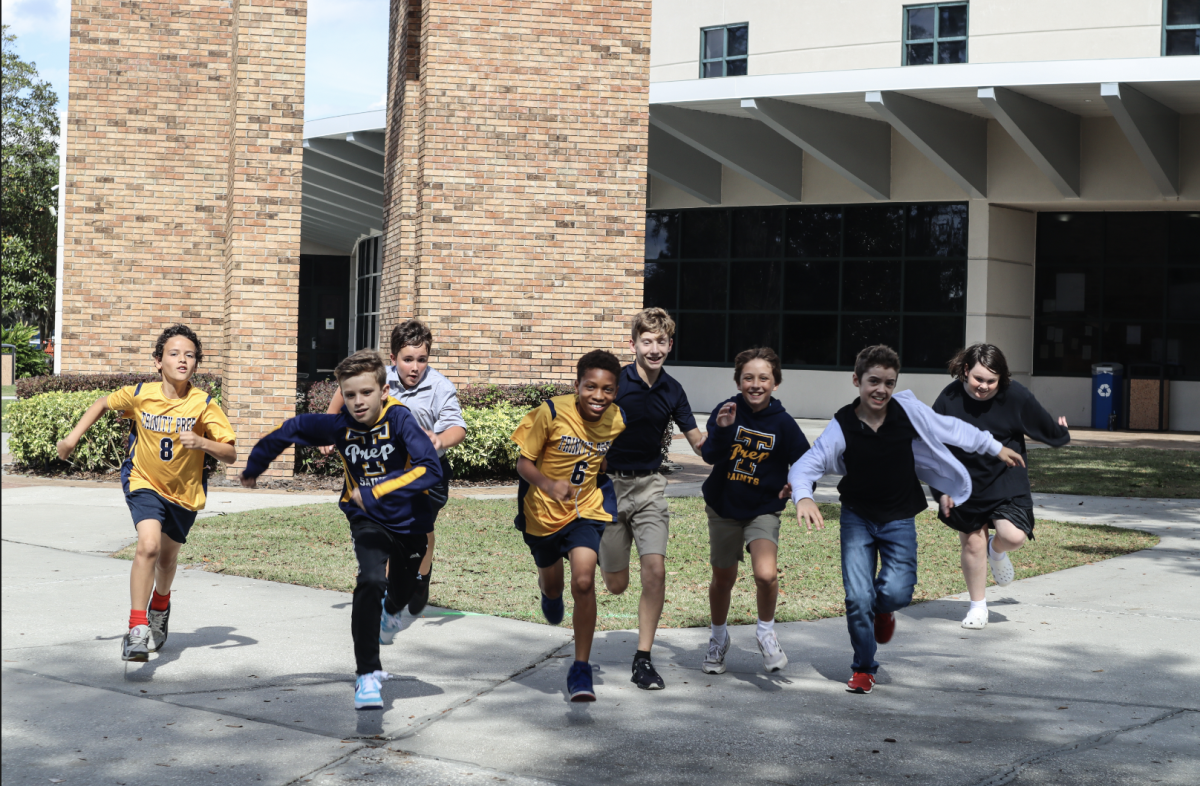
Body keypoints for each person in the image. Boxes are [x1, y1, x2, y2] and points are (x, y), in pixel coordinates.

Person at [788, 345, 1025, 695]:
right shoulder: (843, 424)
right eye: (873, 381)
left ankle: (883, 610)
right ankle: (864, 667)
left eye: (889, 382)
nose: (881, 389)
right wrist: (803, 495)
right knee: (857, 598)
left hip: (899, 518)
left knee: (898, 591)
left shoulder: (908, 414)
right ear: (857, 380)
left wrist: (993, 447)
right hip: (857, 518)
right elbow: (807, 464)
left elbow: (954, 429)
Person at [240, 349, 442, 711]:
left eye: (366, 393)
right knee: (370, 580)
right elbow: (292, 428)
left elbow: (431, 469)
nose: (358, 402)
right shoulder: (339, 425)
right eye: (349, 395)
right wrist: (255, 465)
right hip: (366, 518)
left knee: (401, 595)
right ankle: (367, 675)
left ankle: (391, 615)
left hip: (411, 521)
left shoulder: (400, 420)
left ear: (383, 390)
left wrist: (379, 489)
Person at [56, 325, 237, 662]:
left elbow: (230, 453)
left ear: (196, 365)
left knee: (167, 560)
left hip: (184, 493)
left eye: (190, 355)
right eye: (174, 353)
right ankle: (137, 629)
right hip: (143, 481)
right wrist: (71, 438)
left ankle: (161, 605)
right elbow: (102, 402)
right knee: (148, 546)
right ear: (158, 361)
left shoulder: (204, 404)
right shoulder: (142, 393)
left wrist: (203, 443)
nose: (183, 360)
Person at [322, 319, 466, 615]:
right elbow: (343, 388)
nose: (415, 367)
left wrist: (438, 439)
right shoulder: (378, 377)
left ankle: (421, 576)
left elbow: (457, 428)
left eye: (422, 359)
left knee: (421, 533)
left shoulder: (439, 386)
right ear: (393, 359)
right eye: (408, 359)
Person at [511, 350, 626, 702]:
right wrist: (548, 484)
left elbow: (599, 452)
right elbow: (522, 464)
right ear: (576, 385)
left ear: (615, 392)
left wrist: (599, 463)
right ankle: (550, 594)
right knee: (553, 584)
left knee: (584, 580)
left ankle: (580, 668)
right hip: (543, 513)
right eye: (590, 387)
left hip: (585, 509)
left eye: (607, 389)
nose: (598, 396)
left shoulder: (616, 419)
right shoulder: (550, 413)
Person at [599, 308, 705, 691]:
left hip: (649, 486)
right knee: (615, 585)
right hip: (609, 488)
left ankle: (642, 658)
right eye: (647, 341)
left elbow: (698, 443)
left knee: (655, 570)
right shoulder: (614, 383)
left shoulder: (673, 390)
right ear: (633, 344)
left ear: (670, 345)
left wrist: (725, 434)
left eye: (662, 341)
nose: (654, 348)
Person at [932, 343, 1070, 630]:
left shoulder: (1014, 394)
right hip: (964, 481)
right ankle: (978, 606)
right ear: (966, 371)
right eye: (978, 379)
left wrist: (1059, 433)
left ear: (1001, 378)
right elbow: (933, 447)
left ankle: (997, 551)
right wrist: (942, 488)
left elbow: (1039, 421)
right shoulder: (949, 398)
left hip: (1006, 473)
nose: (983, 386)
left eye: (991, 381)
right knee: (972, 542)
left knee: (1015, 535)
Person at [700, 347, 810, 676]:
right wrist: (721, 429)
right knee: (724, 579)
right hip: (723, 507)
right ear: (738, 381)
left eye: (764, 378)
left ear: (775, 383)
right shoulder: (727, 410)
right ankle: (718, 639)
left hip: (762, 509)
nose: (756, 383)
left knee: (766, 574)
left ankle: (765, 633)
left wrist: (800, 489)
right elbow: (709, 455)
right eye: (748, 377)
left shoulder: (784, 424)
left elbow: (806, 464)